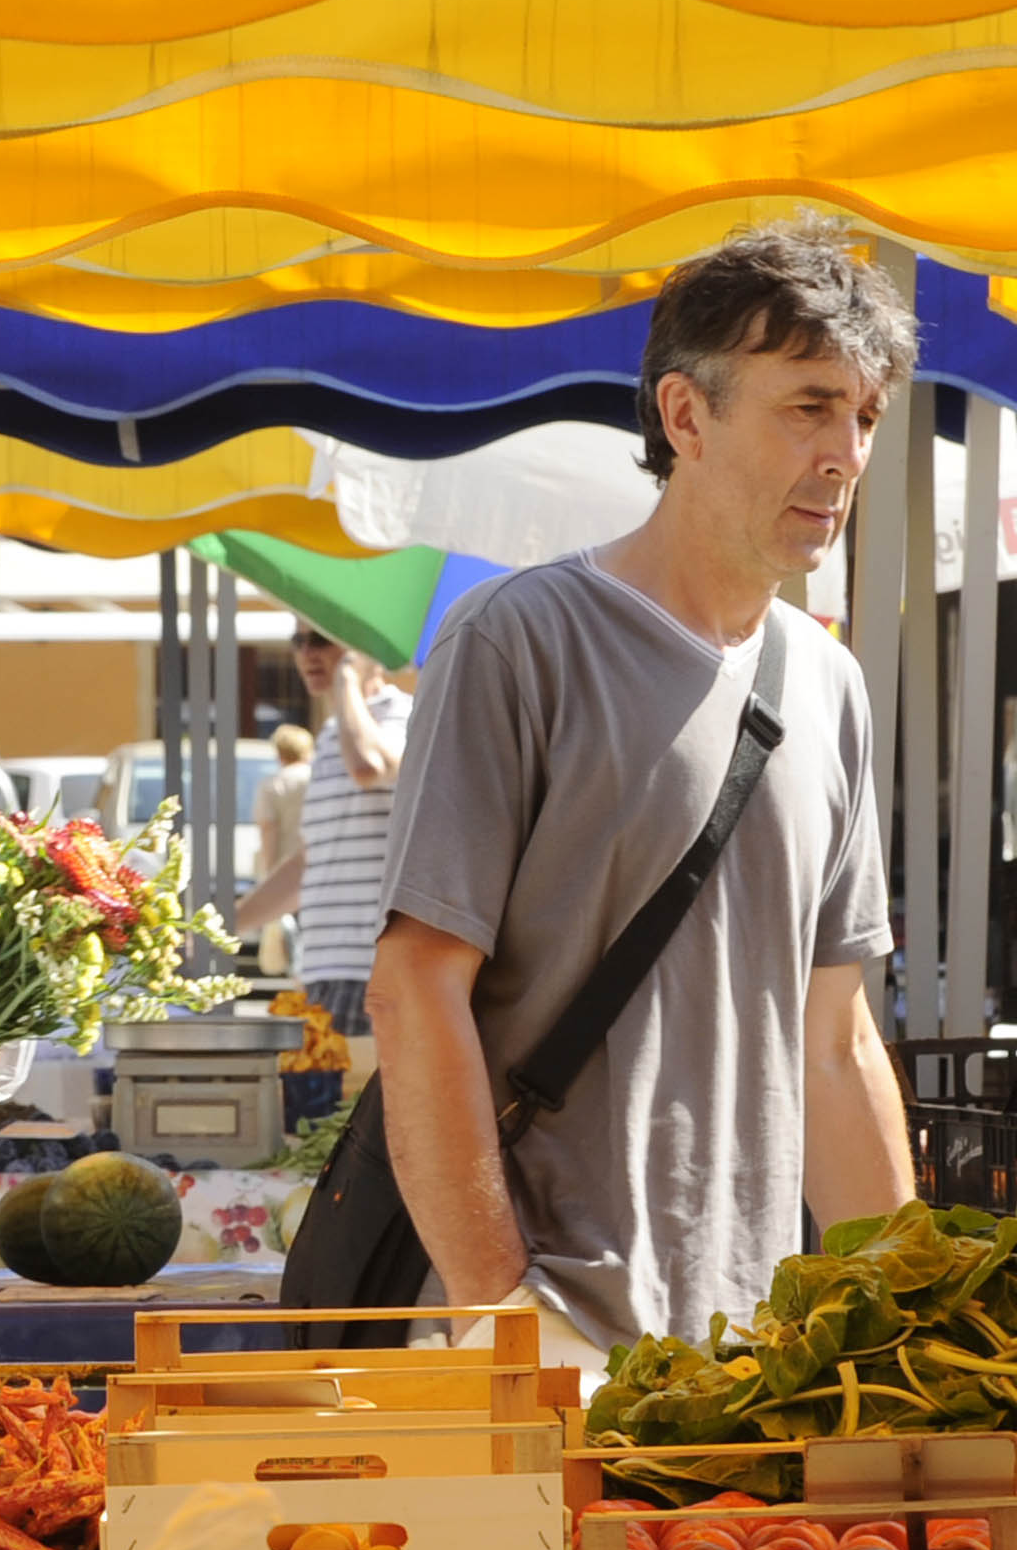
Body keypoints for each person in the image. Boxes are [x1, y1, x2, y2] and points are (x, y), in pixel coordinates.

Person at [371, 212, 916, 1357]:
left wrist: (905, 1323)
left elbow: (836, 1041)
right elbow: (416, 985)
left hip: (749, 1350)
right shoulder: (519, 641)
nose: (846, 452)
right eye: (808, 404)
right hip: (547, 1319)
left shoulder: (829, 683)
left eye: (863, 416)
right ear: (686, 415)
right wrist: (497, 1306)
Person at [288, 626, 410, 1033]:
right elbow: (312, 860)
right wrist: (225, 925)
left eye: (321, 638)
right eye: (298, 641)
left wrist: (347, 678)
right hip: (321, 970)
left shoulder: (405, 714)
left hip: (370, 971)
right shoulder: (329, 737)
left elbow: (368, 767)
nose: (307, 653)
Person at [232, 720, 314, 970]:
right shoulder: (317, 779)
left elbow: (268, 830)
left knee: (287, 939)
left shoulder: (272, 785)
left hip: (284, 871)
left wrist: (267, 872)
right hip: (317, 869)